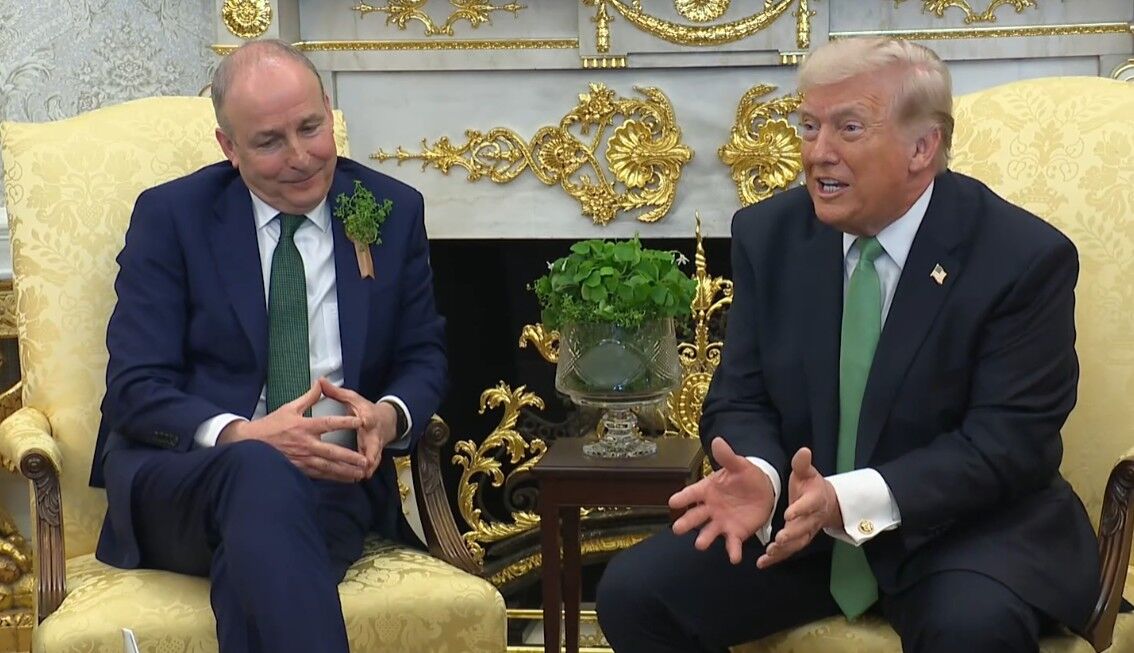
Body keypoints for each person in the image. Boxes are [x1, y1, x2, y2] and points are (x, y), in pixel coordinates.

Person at [595, 37, 1099, 653]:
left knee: (971, 628)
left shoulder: (1021, 258)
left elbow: (1008, 443)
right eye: (809, 126)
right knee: (634, 593)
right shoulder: (769, 235)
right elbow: (741, 398)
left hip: (960, 531)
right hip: (802, 529)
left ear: (923, 147)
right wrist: (763, 476)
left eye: (849, 128)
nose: (818, 153)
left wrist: (850, 498)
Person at [89, 39, 446, 652]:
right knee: (258, 471)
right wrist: (243, 436)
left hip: (328, 483)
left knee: (257, 557)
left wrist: (387, 417)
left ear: (328, 110)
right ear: (229, 147)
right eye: (269, 142)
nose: (301, 157)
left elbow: (424, 356)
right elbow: (134, 388)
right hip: (183, 480)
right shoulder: (172, 217)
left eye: (310, 128)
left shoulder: (391, 209)